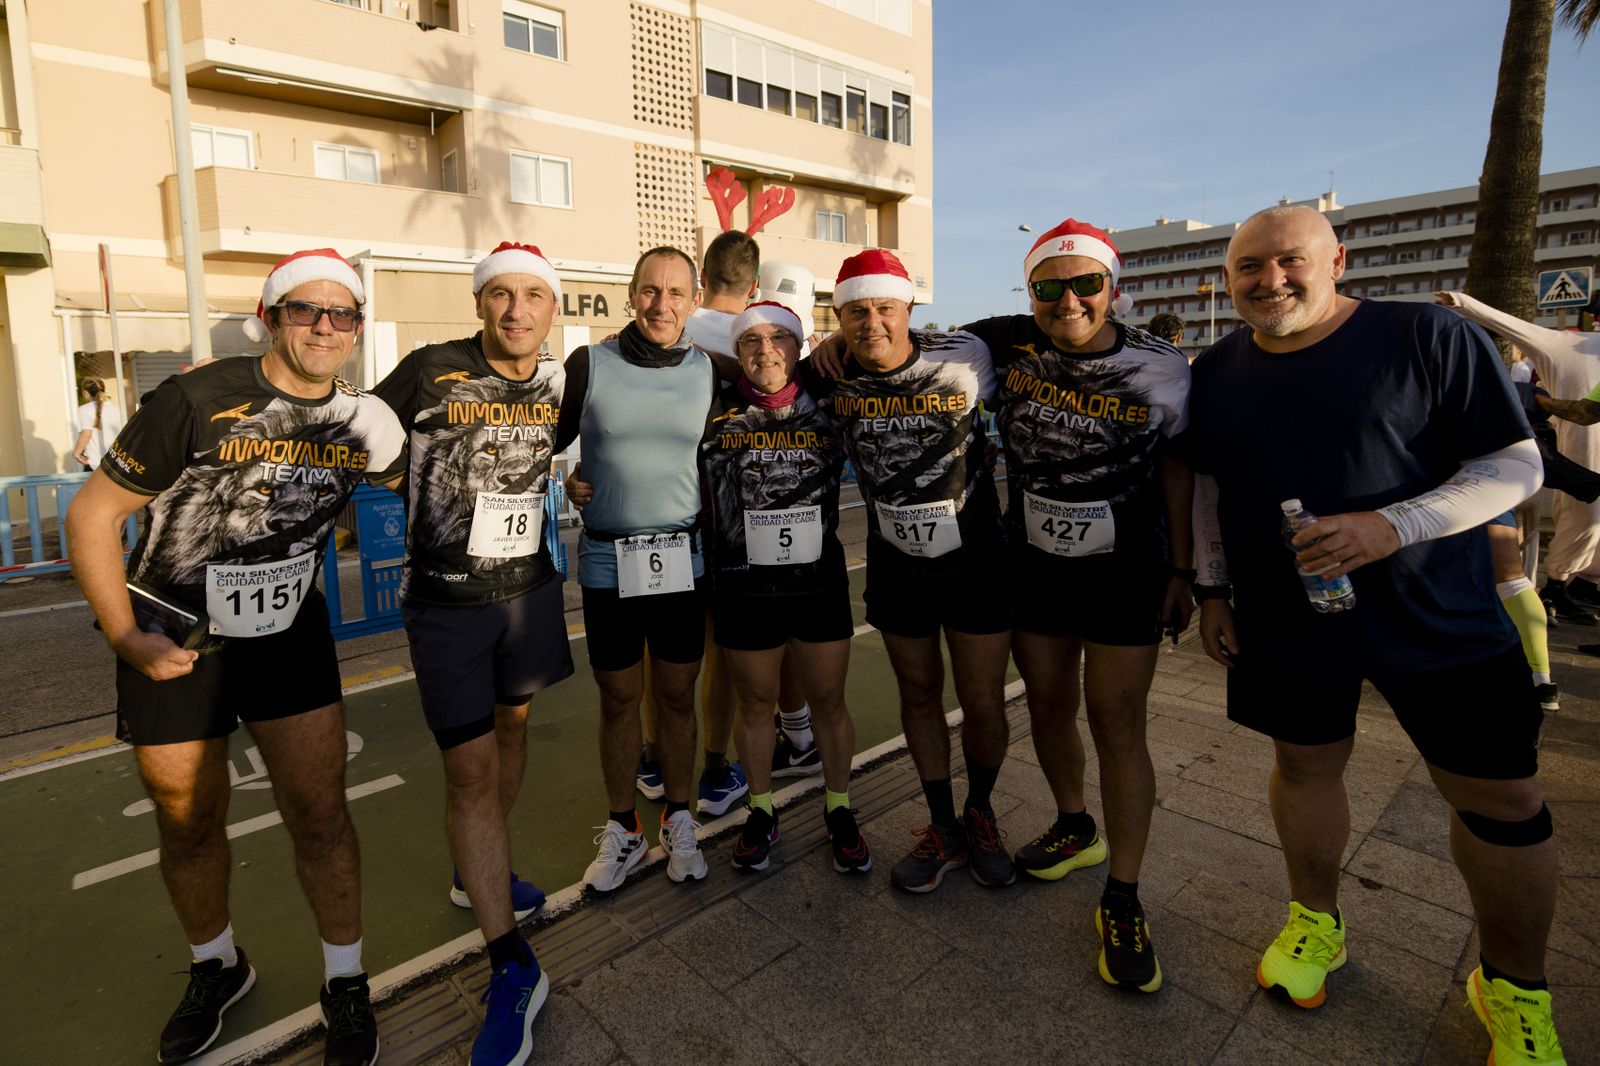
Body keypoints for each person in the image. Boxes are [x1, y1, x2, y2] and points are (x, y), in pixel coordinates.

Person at [1186, 207, 1563, 1064]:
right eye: (1248, 266)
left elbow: (1516, 465)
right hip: (1287, 619)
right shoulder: (1217, 369)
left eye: (1289, 262)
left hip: (1442, 614)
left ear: (1337, 261)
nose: (1268, 280)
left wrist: (1395, 525)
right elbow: (1210, 483)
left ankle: (1513, 987)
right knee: (1305, 766)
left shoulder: (1427, 335)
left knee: (1502, 799)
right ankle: (1317, 923)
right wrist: (1213, 587)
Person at [65, 249, 406, 1065]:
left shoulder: (368, 421)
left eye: (341, 314)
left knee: (321, 815)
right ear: (270, 316)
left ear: (357, 329)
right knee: (188, 822)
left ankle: (346, 980)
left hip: (287, 631)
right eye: (304, 310)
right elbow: (91, 515)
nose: (324, 326)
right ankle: (216, 965)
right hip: (172, 634)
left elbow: (421, 487)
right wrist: (123, 635)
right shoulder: (196, 398)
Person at [960, 219, 1193, 992]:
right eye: (1049, 286)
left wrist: (1189, 569)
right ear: (1029, 293)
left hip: (1126, 569)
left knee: (1118, 724)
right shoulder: (1006, 344)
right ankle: (1074, 824)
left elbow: (1182, 469)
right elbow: (900, 347)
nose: (1068, 300)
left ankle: (1123, 897)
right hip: (1037, 566)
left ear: (1112, 288)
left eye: (1086, 283)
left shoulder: (1162, 366)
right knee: (1050, 707)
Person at [372, 242, 573, 1066]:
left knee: (513, 731)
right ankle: (511, 965)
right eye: (500, 295)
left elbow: (559, 455)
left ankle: (477, 875)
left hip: (527, 597)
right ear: (481, 303)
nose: (516, 310)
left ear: (552, 310)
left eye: (533, 296)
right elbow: (360, 438)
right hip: (449, 607)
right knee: (470, 772)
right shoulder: (428, 368)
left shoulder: (559, 380)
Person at [799, 249, 1015, 894]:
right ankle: (942, 825)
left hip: (977, 563)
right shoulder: (829, 379)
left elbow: (1043, 330)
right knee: (918, 695)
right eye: (856, 312)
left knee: (981, 700)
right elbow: (752, 376)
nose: (872, 323)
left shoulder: (965, 357)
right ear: (838, 317)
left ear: (908, 308)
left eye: (884, 308)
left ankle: (981, 813)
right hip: (898, 570)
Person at [556, 247, 719, 892]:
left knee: (676, 697)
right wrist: (567, 480)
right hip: (607, 560)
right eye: (649, 290)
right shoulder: (589, 364)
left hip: (680, 558)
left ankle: (679, 817)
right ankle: (624, 827)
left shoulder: (708, 370)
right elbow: (543, 440)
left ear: (694, 299)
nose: (662, 305)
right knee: (621, 699)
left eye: (676, 293)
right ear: (630, 293)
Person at [704, 301, 870, 874]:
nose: (765, 349)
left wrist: (839, 345)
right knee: (755, 705)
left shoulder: (827, 402)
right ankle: (760, 809)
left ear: (800, 347)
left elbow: (881, 349)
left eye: (779, 338)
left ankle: (840, 807)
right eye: (751, 340)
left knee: (827, 701)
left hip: (816, 582)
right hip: (743, 586)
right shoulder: (712, 408)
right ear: (737, 352)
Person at [1436, 289, 1600, 624]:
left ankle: (1581, 585)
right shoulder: (1565, 346)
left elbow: (1584, 412)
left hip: (1546, 456)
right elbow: (1515, 327)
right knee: (1583, 516)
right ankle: (1556, 587)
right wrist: (1466, 302)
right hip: (1568, 453)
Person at [73, 377, 125, 470]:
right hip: (114, 463)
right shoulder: (117, 410)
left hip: (94, 463)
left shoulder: (84, 410)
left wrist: (77, 453)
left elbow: (86, 433)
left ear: (85, 392)